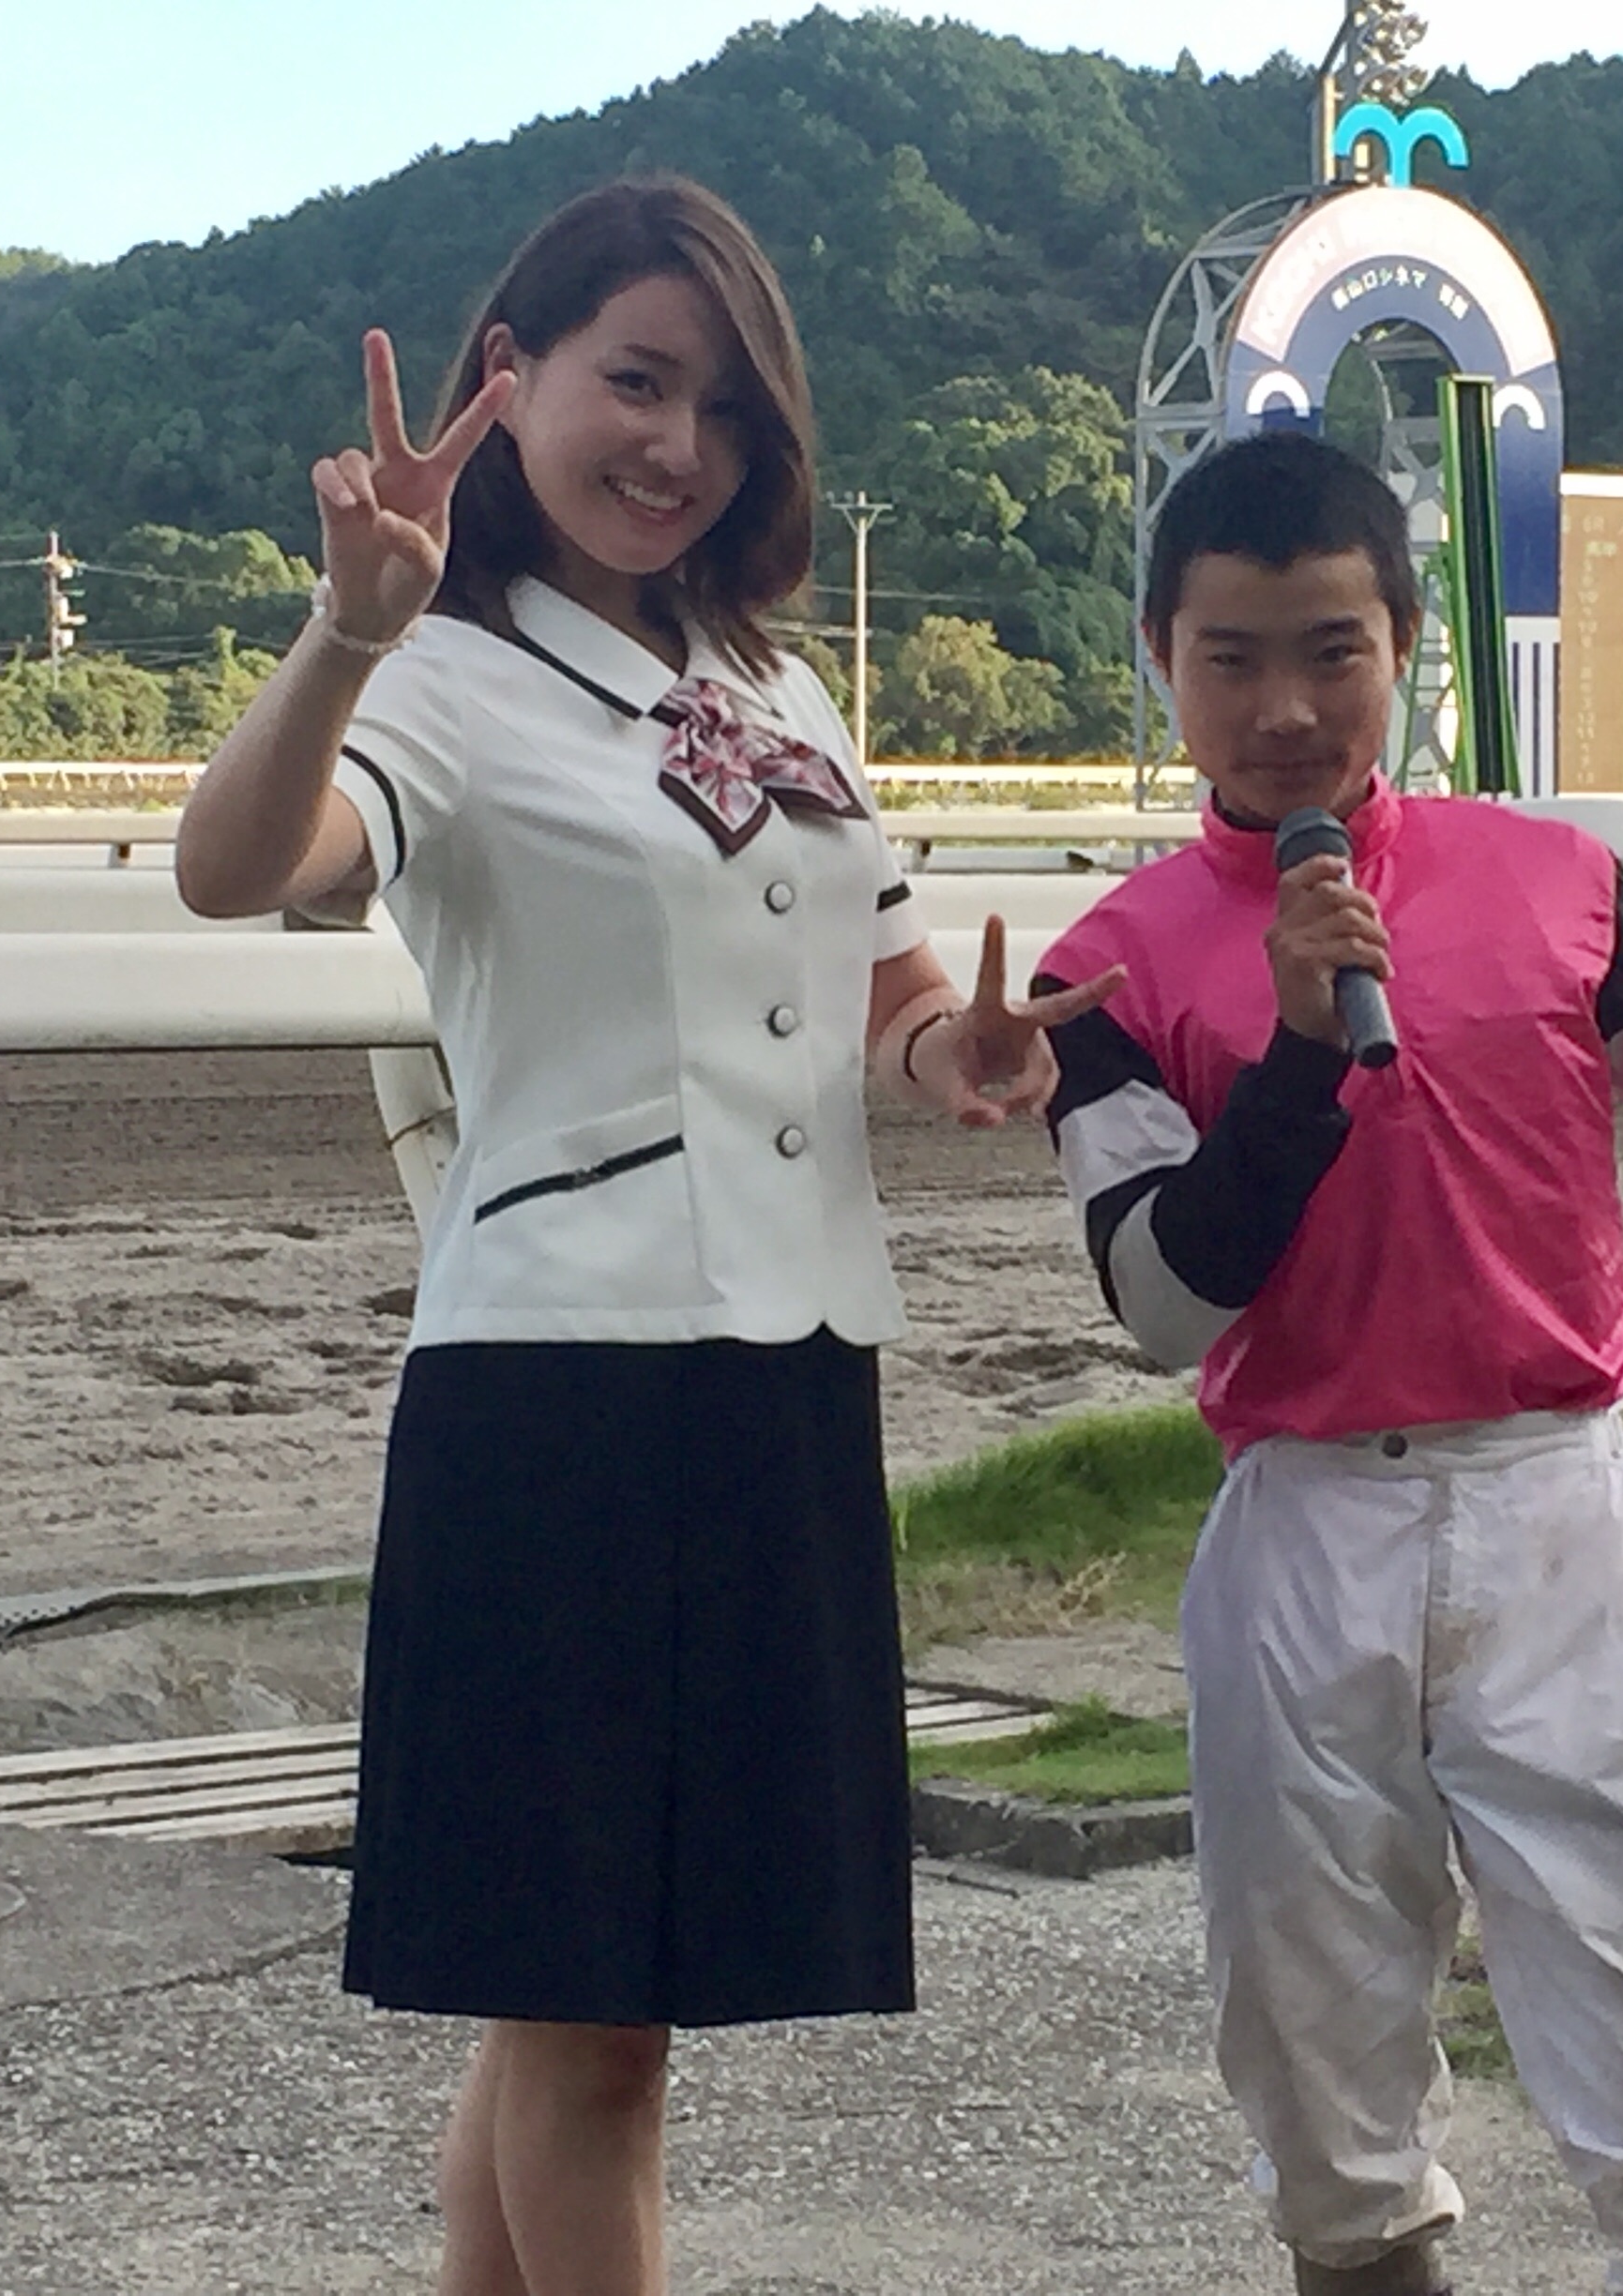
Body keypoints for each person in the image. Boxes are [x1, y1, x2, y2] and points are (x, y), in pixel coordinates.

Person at [173, 175, 1115, 2296]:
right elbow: (237, 868)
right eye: (637, 381)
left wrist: (953, 1054)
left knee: (582, 1998)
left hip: (780, 1379)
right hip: (560, 1399)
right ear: (512, 378)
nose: (677, 444)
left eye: (725, 408)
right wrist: (349, 626)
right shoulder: (439, 673)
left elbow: (883, 989)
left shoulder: (781, 689)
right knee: (591, 2018)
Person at [1031, 430, 1623, 2296]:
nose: (1284, 709)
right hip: (1300, 1528)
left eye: (1331, 653)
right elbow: (1167, 1305)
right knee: (1321, 2082)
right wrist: (1293, 1057)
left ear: (1406, 648)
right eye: (1233, 658)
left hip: (1551, 1506)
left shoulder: (1555, 882)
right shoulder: (1111, 966)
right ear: (1162, 656)